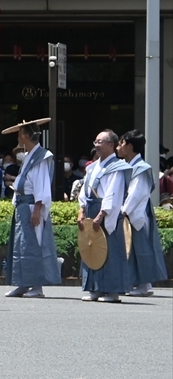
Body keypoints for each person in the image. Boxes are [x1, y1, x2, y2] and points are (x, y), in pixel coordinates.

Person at [0, 118, 58, 298]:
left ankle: (37, 286)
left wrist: (38, 209)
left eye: (19, 134)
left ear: (25, 136)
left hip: (32, 205)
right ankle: (22, 283)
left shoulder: (41, 157)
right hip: (23, 205)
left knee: (33, 245)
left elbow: (42, 185)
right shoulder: (29, 156)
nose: (18, 138)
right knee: (21, 246)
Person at [76, 129, 131, 304]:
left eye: (101, 142)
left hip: (106, 212)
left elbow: (113, 194)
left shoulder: (118, 167)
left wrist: (101, 215)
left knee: (110, 250)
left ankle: (112, 291)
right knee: (92, 249)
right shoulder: (92, 167)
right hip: (91, 209)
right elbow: (84, 191)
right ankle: (95, 288)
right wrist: (82, 210)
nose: (97, 145)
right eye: (96, 142)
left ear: (111, 145)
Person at [117, 131, 166, 297]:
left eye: (121, 144)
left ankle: (144, 285)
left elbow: (136, 194)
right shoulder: (128, 165)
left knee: (140, 249)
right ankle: (138, 283)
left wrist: (124, 211)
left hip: (136, 213)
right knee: (133, 250)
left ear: (130, 146)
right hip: (130, 212)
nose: (118, 147)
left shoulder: (141, 168)